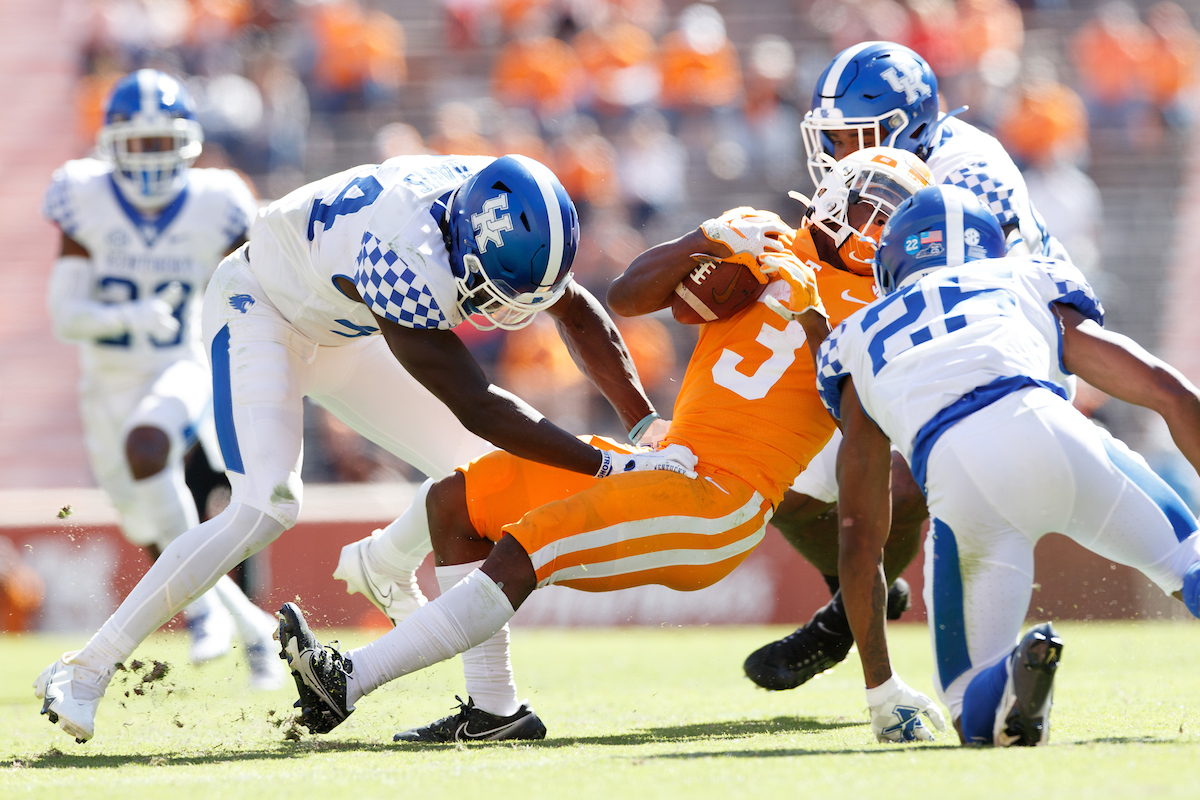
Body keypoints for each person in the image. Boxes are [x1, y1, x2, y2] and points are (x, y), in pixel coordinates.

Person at [274, 149, 934, 742]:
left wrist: (815, 311)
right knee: (459, 500)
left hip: (721, 502)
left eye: (890, 215)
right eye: (868, 202)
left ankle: (347, 680)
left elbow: (852, 417)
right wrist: (708, 239)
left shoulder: (887, 312)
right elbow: (627, 295)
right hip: (671, 460)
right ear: (834, 191)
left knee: (529, 543)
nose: (873, 223)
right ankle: (494, 711)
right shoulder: (768, 237)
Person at [34, 150, 680, 744]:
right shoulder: (403, 252)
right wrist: (607, 466)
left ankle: (488, 699)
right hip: (262, 311)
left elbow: (572, 309)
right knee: (266, 504)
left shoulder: (495, 212)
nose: (510, 314)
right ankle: (85, 669)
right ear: (461, 240)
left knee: (481, 479)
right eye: (495, 294)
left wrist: (643, 427)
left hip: (344, 323)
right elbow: (478, 405)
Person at [744, 39, 1074, 692]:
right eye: (832, 138)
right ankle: (864, 589)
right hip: (927, 340)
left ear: (904, 127)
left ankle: (845, 623)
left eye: (852, 136)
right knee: (778, 484)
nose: (837, 153)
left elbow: (973, 293)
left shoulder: (966, 168)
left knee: (903, 481)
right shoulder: (882, 177)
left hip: (1013, 348)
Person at [823, 184, 1200, 744]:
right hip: (1054, 425)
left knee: (969, 714)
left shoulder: (854, 337)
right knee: (1189, 567)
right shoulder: (1025, 275)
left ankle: (1005, 681)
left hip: (960, 473)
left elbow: (859, 534)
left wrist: (880, 688)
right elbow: (1166, 391)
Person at [41, 69, 284, 690]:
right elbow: (65, 316)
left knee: (150, 448)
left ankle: (203, 612)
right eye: (138, 143)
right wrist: (126, 315)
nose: (150, 158)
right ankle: (250, 628)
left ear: (186, 141)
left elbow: (256, 278)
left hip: (184, 365)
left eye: (161, 142)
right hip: (107, 384)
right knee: (146, 521)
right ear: (114, 144)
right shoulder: (85, 198)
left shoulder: (217, 201)